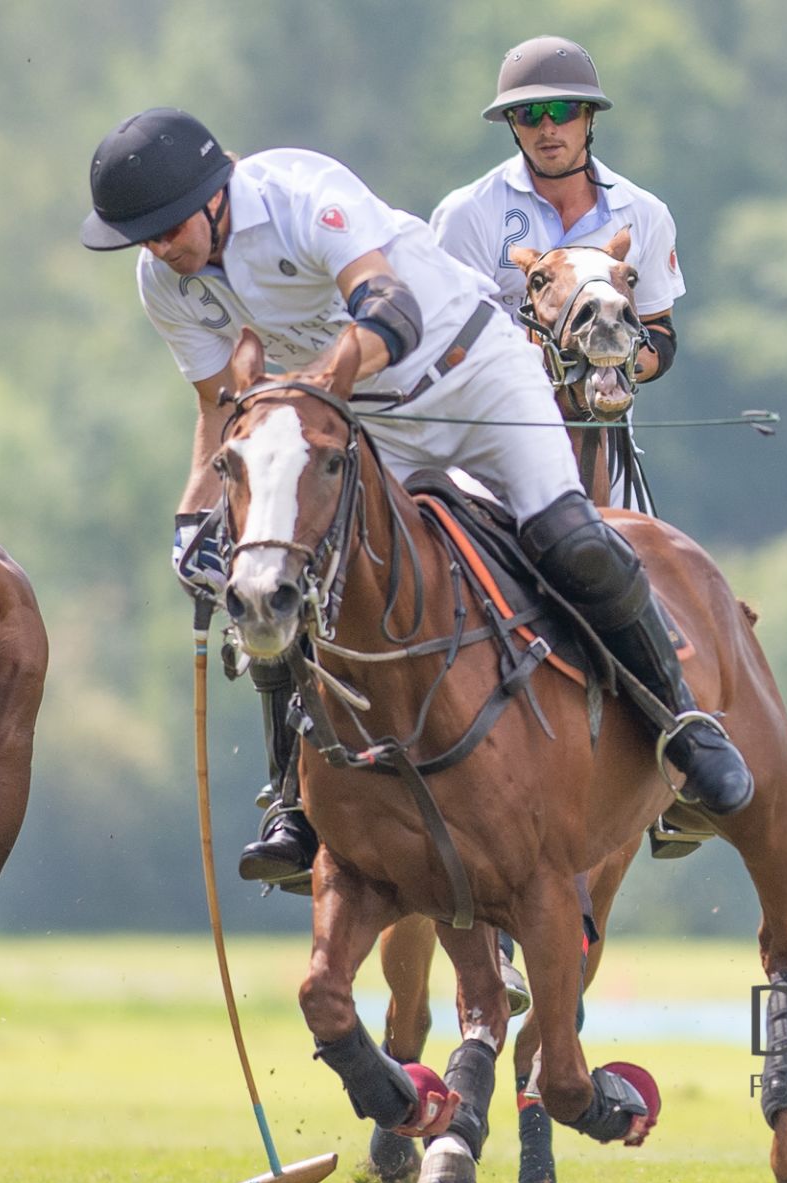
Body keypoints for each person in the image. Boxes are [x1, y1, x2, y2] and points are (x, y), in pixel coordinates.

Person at [80, 108, 752, 889]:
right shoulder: (164, 282)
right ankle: (293, 795)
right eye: (142, 239)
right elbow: (218, 403)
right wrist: (194, 520)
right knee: (290, 572)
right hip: (368, 421)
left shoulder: (300, 194)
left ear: (213, 196)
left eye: (166, 229)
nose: (159, 250)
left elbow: (391, 315)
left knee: (566, 535)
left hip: (474, 374)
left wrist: (322, 379)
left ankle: (682, 723)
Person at [432, 35, 682, 388]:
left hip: (600, 416)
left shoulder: (646, 214)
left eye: (563, 111)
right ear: (513, 124)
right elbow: (445, 335)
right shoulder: (466, 213)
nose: (547, 128)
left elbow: (658, 333)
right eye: (529, 114)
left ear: (589, 116)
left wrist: (618, 360)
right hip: (494, 412)